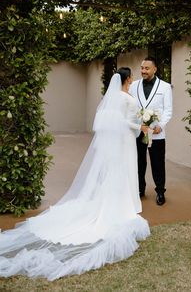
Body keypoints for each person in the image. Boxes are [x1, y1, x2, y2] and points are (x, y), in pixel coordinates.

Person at [0, 67, 150, 281]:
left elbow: (104, 123)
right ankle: (126, 204)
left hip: (117, 143)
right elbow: (126, 123)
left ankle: (117, 198)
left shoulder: (111, 99)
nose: (133, 78)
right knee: (125, 170)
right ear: (128, 79)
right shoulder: (127, 98)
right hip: (125, 140)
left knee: (117, 171)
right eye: (132, 76)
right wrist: (140, 126)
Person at [129, 57, 172, 205]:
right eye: (142, 68)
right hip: (138, 131)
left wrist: (161, 125)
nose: (143, 71)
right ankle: (140, 190)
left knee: (158, 163)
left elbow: (168, 110)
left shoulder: (165, 87)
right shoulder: (133, 86)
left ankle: (160, 191)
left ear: (155, 69)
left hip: (156, 132)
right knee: (139, 162)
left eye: (147, 68)